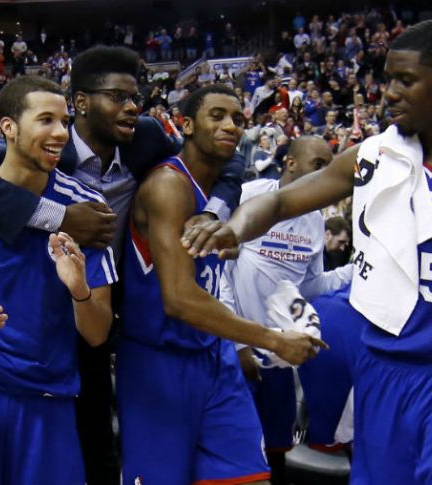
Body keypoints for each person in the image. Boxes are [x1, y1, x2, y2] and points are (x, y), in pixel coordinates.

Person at [182, 20, 432, 484]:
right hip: (383, 367)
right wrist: (235, 228)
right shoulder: (373, 155)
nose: (388, 92)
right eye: (387, 79)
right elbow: (282, 199)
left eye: (405, 80)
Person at [0, 46, 245, 485]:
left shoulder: (133, 153)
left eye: (137, 98)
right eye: (118, 96)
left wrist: (216, 213)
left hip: (74, 345)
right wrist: (55, 218)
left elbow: (221, 159)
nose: (132, 107)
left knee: (98, 442)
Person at [117, 84, 326, 485]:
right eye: (217, 116)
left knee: (250, 478)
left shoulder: (222, 194)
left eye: (237, 119)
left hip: (212, 355)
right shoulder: (169, 186)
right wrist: (272, 339)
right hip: (159, 360)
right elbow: (178, 299)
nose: (230, 125)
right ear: (187, 125)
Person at [0, 75, 117, 484]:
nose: (60, 133)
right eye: (45, 120)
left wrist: (80, 290)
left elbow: (98, 334)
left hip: (47, 397)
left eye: (65, 121)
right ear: (7, 128)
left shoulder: (88, 209)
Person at [219, 136, 352, 484]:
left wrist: (356, 270)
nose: (325, 174)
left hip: (279, 353)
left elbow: (311, 285)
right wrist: (238, 344)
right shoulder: (251, 196)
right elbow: (220, 273)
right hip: (236, 349)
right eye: (318, 165)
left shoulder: (314, 220)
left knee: (276, 453)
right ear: (291, 163)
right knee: (237, 457)